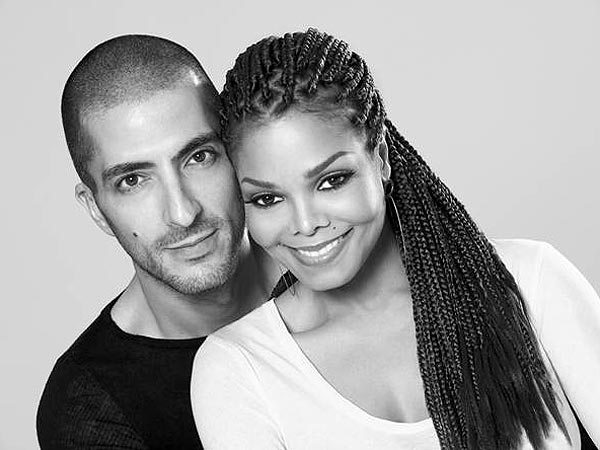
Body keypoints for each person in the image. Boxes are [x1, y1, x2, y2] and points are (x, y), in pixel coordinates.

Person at [191, 28, 600, 449]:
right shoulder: (240, 368)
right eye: (268, 199)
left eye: (332, 180)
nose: (305, 224)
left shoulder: (531, 282)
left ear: (381, 158)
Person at [37, 35, 277, 449]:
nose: (183, 213)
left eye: (199, 157)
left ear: (234, 151)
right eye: (133, 180)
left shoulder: (333, 265)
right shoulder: (90, 409)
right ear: (95, 208)